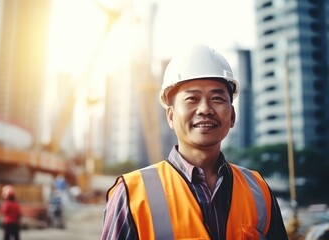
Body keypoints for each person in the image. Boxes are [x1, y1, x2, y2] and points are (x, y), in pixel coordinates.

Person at [101, 43, 288, 239]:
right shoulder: (131, 194)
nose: (205, 109)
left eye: (217, 98)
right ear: (171, 116)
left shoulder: (258, 190)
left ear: (232, 116)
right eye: (192, 99)